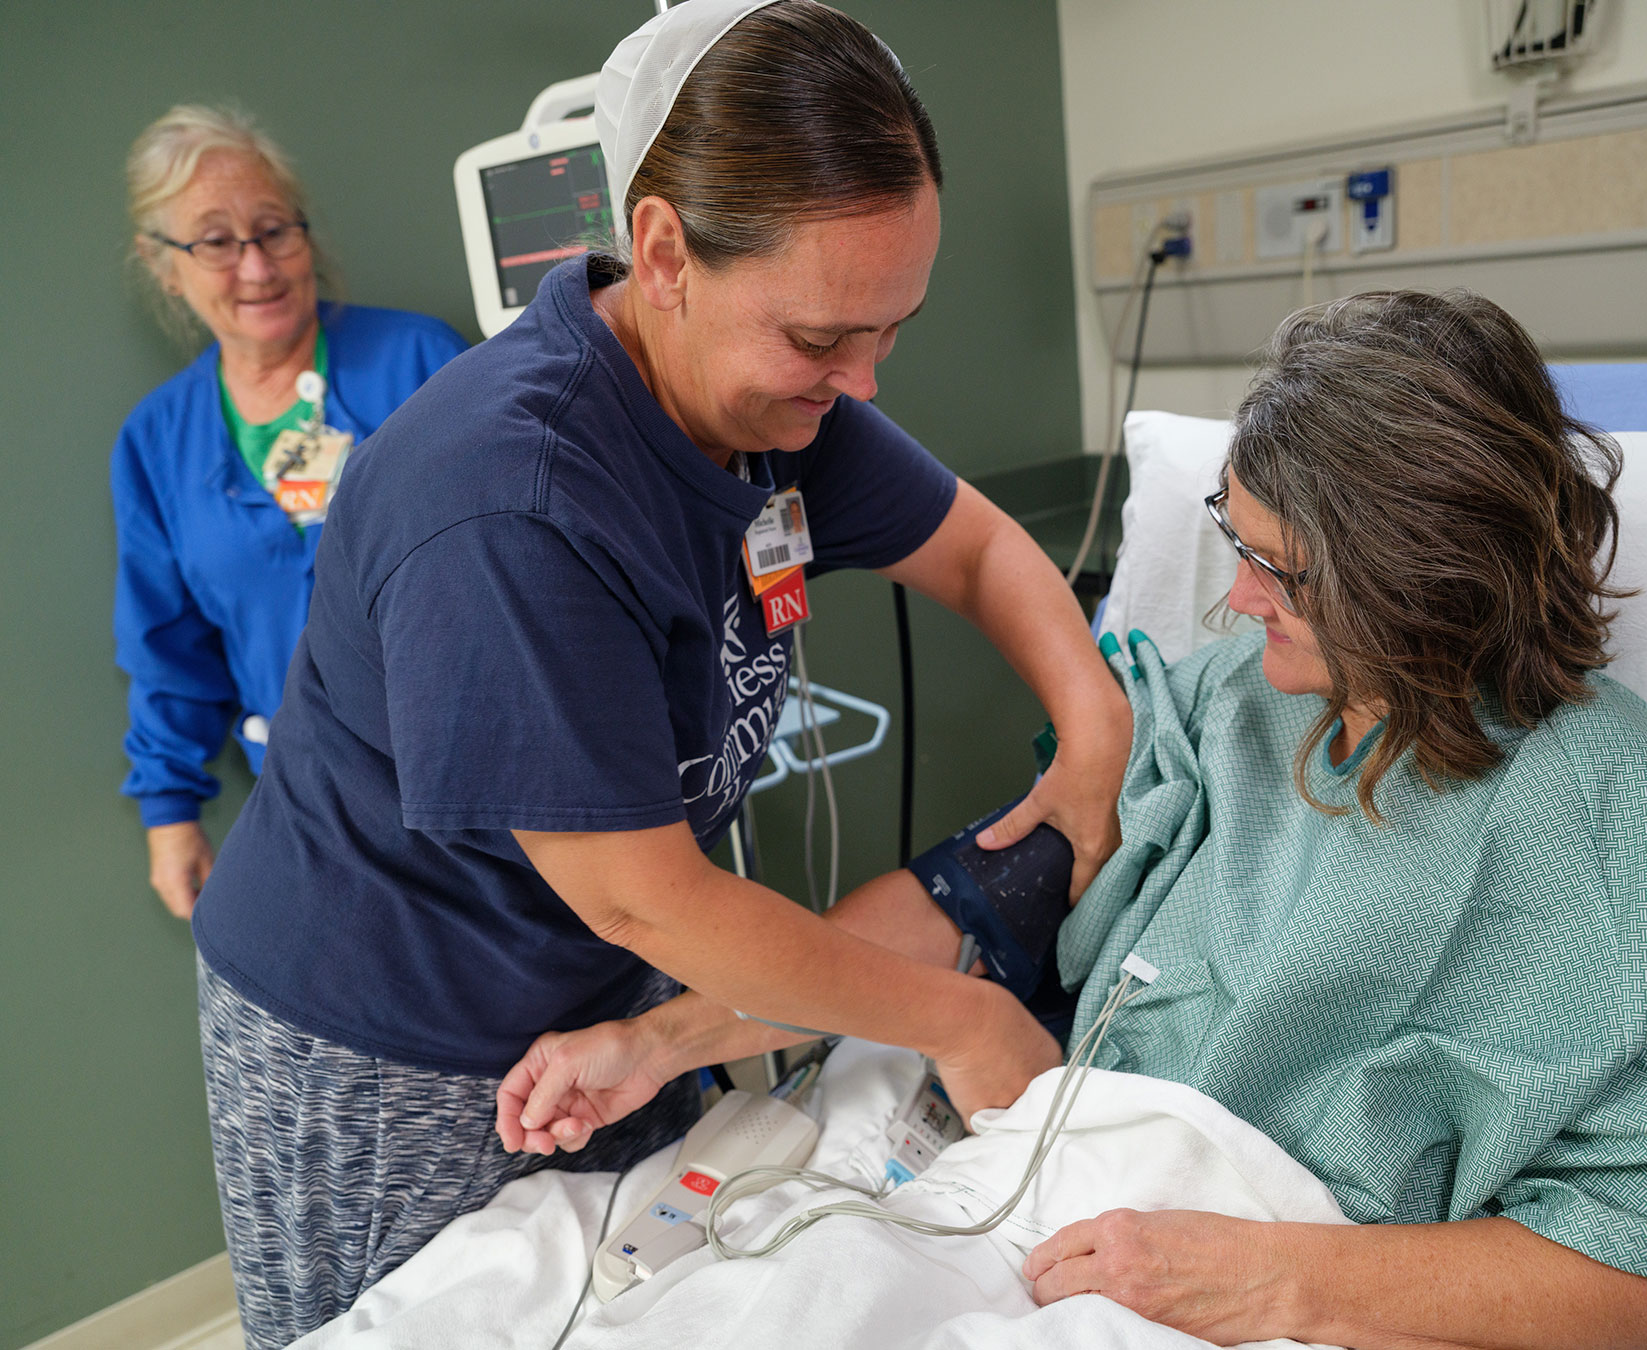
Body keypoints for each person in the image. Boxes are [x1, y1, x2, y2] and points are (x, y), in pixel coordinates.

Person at [513, 291, 1647, 1350]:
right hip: (1076, 1186)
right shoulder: (1232, 703)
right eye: (1226, 542)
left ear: (1413, 574)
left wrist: (1276, 1279)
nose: (1232, 602)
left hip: (1292, 1268)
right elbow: (983, 893)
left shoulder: (1635, 847)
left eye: (1276, 572)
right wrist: (663, 1039)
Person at [187, 4, 1128, 1346]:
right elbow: (649, 898)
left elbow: (979, 550)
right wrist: (964, 1017)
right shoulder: (511, 504)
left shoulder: (776, 408)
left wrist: (1094, 721)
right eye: (821, 338)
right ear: (665, 250)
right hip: (386, 1029)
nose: (861, 384)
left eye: (891, 329)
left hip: (604, 992)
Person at [114, 105, 467, 917]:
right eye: (214, 241)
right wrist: (169, 812)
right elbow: (167, 647)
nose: (256, 266)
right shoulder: (157, 442)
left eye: (274, 230)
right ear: (164, 265)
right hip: (319, 821)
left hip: (479, 782)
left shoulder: (420, 361)